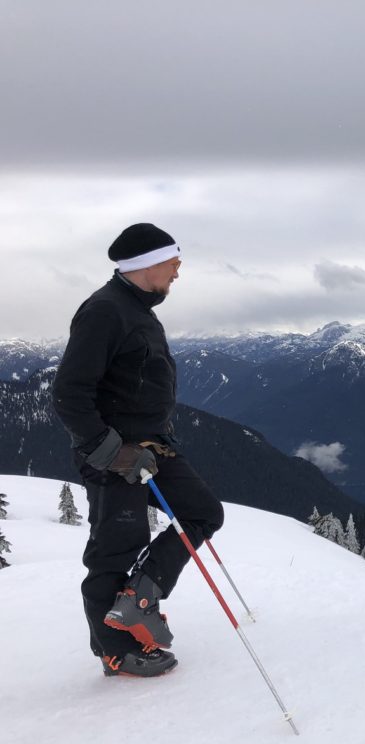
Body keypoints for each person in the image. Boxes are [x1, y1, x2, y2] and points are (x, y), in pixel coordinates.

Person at [52, 223, 224, 678]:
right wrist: (110, 451)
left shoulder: (137, 310)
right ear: (149, 264)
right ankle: (115, 651)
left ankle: (138, 599)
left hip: (152, 448)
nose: (177, 273)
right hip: (114, 457)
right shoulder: (105, 311)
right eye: (174, 264)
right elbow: (69, 393)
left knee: (203, 512)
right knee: (115, 549)